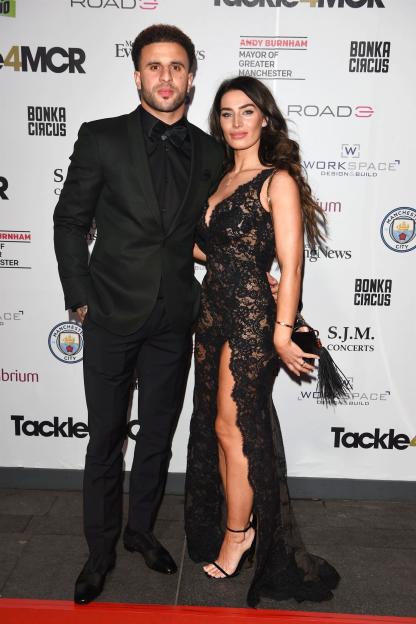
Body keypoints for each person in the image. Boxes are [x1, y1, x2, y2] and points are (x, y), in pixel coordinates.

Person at [53, 24, 227, 605]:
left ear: (191, 77)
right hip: (107, 312)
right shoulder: (101, 138)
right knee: (105, 437)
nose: (166, 77)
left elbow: (211, 235)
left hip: (174, 318)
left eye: (176, 66)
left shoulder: (209, 150)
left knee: (156, 436)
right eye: (154, 66)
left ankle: (140, 530)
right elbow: (70, 221)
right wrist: (79, 295)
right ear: (136, 75)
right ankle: (99, 549)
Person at [184, 76, 340, 607]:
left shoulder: (278, 182)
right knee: (219, 427)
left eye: (246, 112)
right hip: (212, 315)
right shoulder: (222, 180)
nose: (235, 123)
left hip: (253, 319)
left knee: (234, 427)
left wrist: (280, 329)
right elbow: (213, 251)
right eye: (226, 114)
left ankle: (239, 536)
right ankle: (239, 522)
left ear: (265, 119)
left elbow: (291, 264)